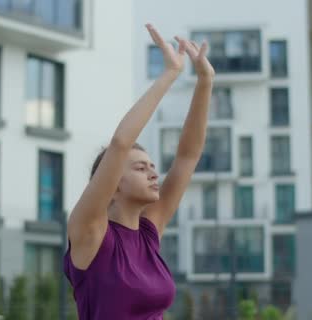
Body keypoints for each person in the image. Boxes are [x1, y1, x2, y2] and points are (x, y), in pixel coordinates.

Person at [63, 23, 215, 320]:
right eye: (141, 167)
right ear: (113, 185)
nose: (153, 174)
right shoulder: (90, 232)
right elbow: (121, 143)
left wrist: (205, 82)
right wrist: (170, 74)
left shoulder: (148, 233)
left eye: (153, 167)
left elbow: (187, 157)